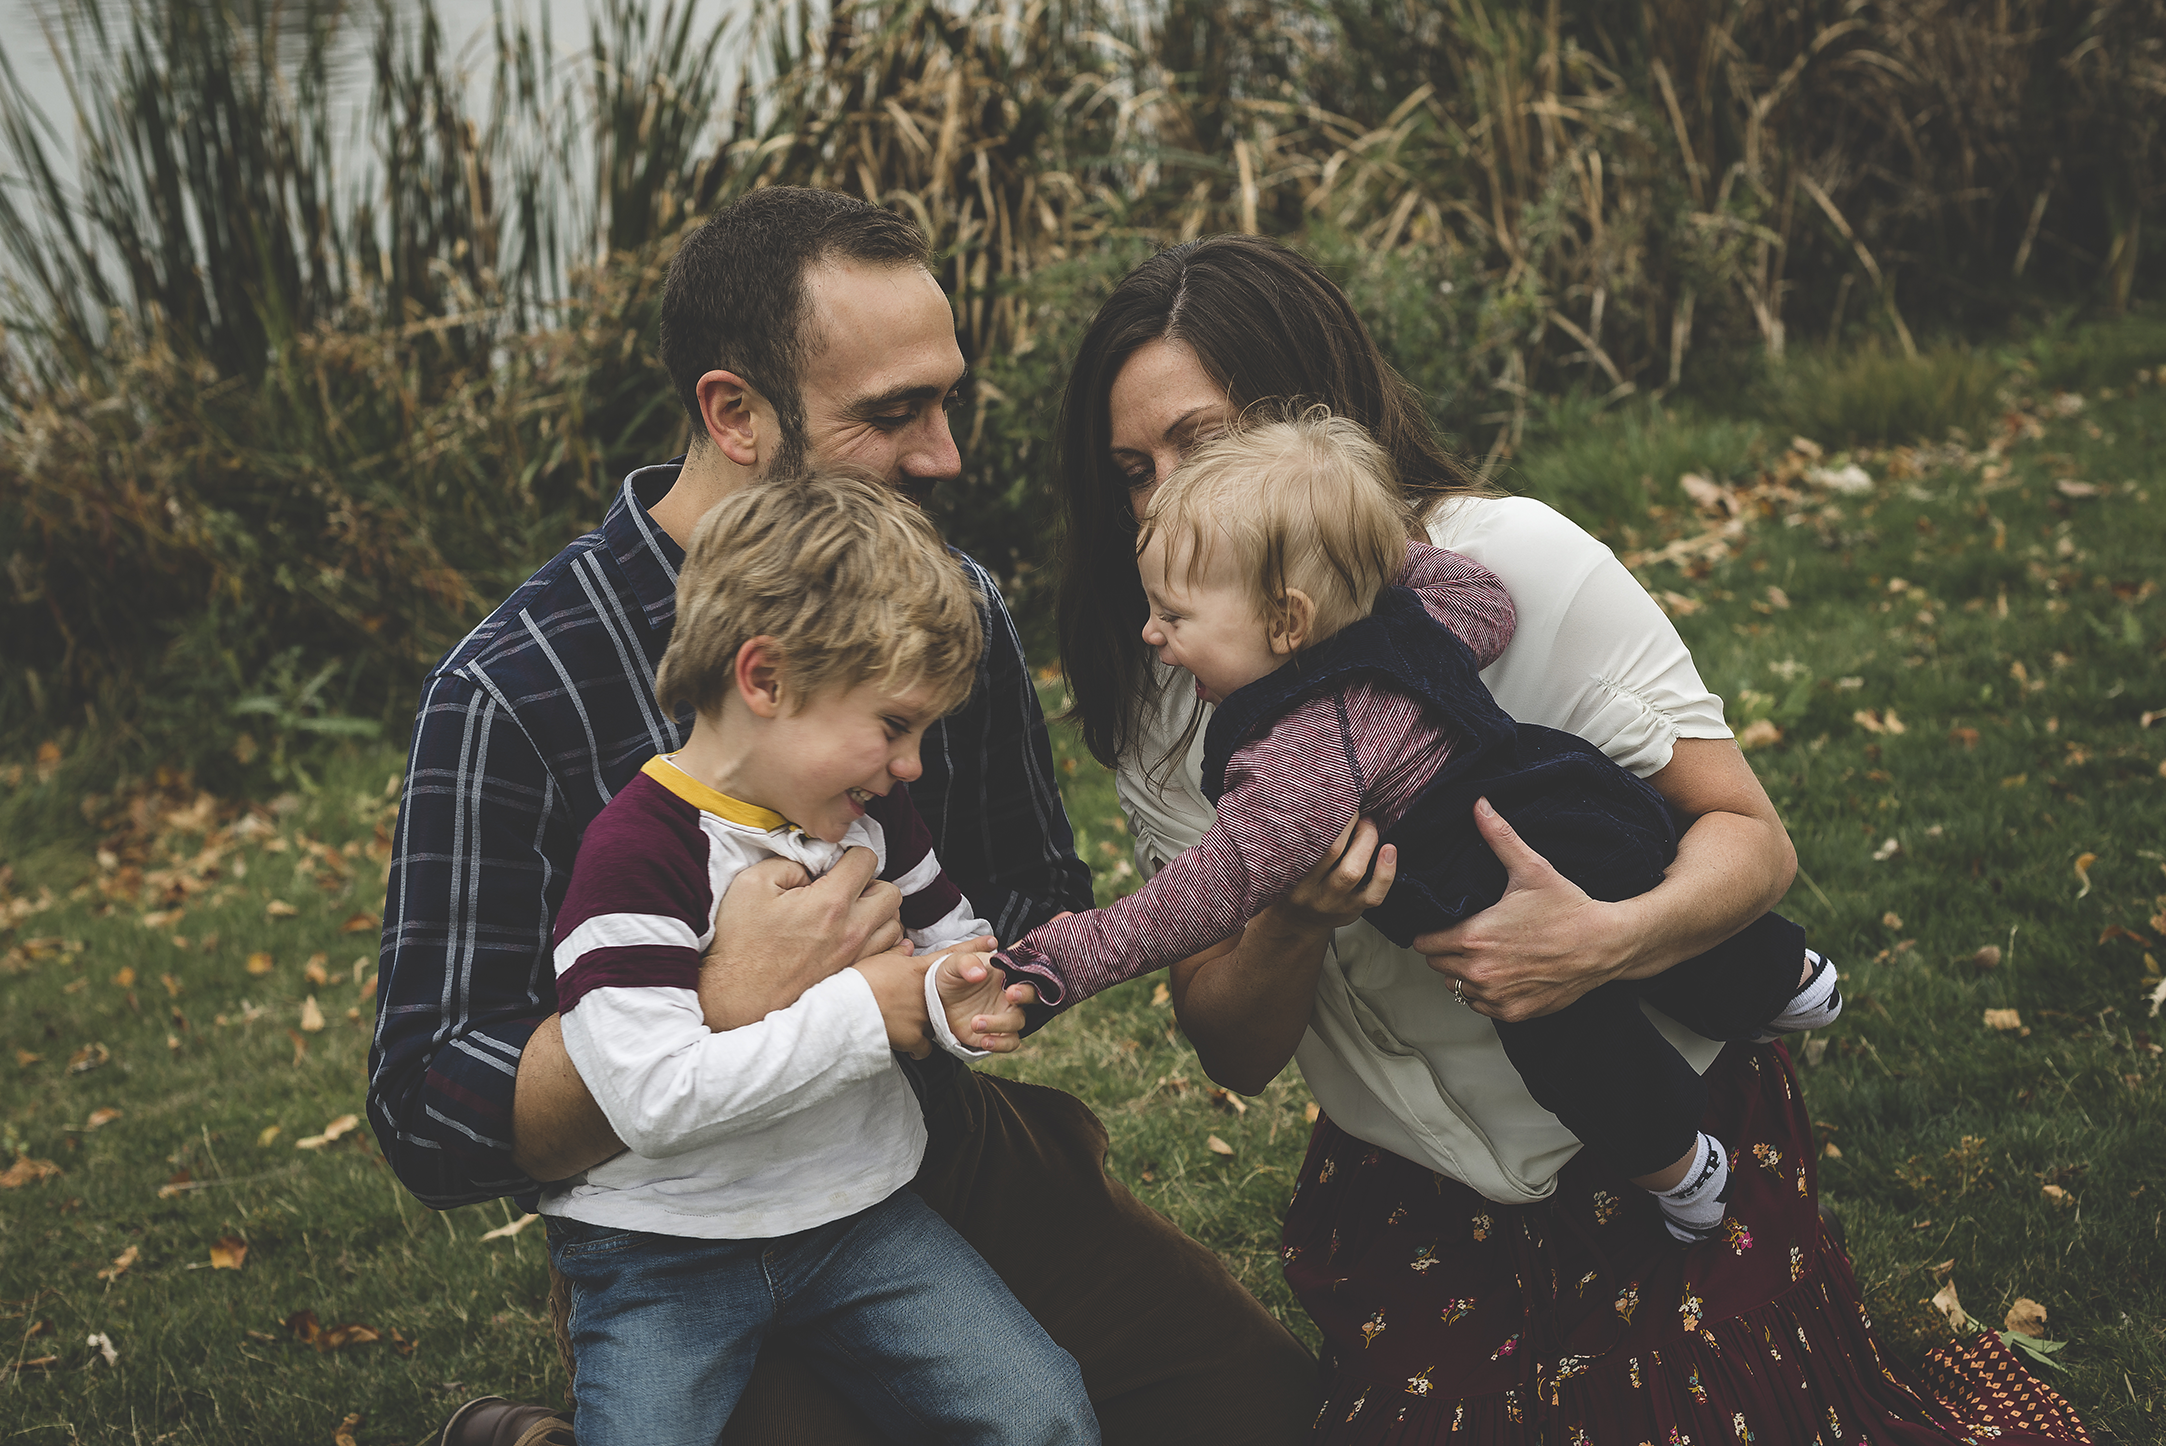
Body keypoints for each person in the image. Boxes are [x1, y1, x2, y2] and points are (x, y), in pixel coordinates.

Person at [1051, 234, 2090, 1443]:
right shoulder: (1171, 683)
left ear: (1308, 422)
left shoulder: (1503, 565)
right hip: (1419, 1181)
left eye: (1203, 443)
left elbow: (1752, 839)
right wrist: (1290, 914)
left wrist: (1607, 940)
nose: (1162, 498)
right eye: (1133, 469)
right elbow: (1231, 1052)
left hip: (1662, 1107)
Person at [372, 189, 1318, 1446]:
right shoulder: (513, 689)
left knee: (1259, 1414)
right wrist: (717, 1000)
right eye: (891, 415)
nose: (944, 456)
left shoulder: (950, 604)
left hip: (926, 1148)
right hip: (685, 1214)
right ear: (736, 414)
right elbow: (429, 1107)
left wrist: (1037, 955)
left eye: (945, 400)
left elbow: (1032, 888)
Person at [999, 412, 1838, 1245]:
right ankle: (1791, 978)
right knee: (1650, 880)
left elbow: (1196, 898)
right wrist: (1345, 548)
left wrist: (1062, 960)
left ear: (1287, 622)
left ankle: (1682, 1171)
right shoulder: (1422, 615)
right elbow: (1487, 602)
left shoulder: (1298, 759)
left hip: (1490, 895)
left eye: (1174, 617)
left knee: (1576, 1051)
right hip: (1578, 798)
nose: (1154, 637)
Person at [541, 470, 1095, 1445]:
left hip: (857, 1217)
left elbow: (950, 942)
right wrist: (865, 1010)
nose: (914, 764)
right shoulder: (638, 856)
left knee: (1041, 1411)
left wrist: (955, 994)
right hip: (662, 1249)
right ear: (765, 679)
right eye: (893, 725)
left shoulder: (873, 816)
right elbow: (651, 1102)